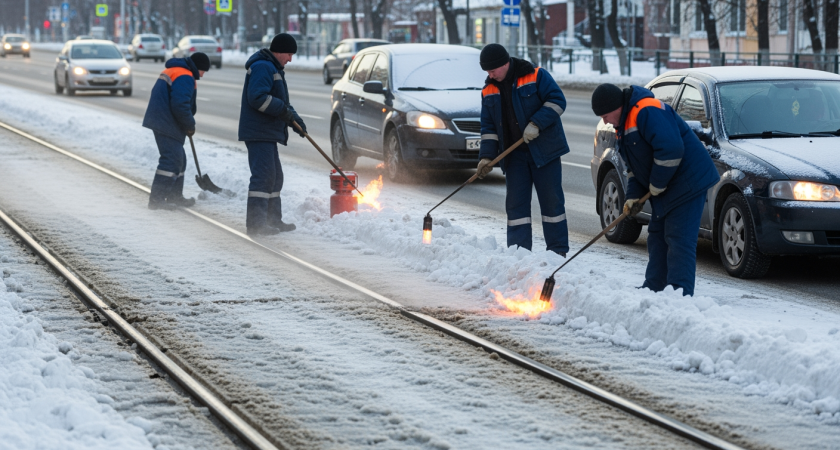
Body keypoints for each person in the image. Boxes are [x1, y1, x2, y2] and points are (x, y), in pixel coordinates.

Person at [590, 83, 720, 296]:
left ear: (616, 106)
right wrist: (633, 197)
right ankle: (654, 288)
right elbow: (634, 169)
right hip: (667, 184)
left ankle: (680, 294)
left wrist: (657, 184)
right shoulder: (622, 126)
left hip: (688, 182)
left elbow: (671, 149)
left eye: (605, 115)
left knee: (678, 239)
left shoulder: (647, 110)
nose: (604, 121)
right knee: (657, 235)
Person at [477, 44, 570, 255]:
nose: (490, 75)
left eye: (493, 70)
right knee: (516, 207)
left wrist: (537, 123)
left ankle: (557, 252)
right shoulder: (488, 91)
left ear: (505, 63)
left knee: (552, 204)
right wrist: (486, 157)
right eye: (487, 72)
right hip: (514, 156)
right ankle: (518, 253)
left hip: (544, 152)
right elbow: (489, 129)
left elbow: (557, 101)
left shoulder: (536, 75)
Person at [239, 33, 306, 236]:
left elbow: (281, 103)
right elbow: (258, 98)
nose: (290, 59)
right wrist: (283, 112)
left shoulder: (273, 67)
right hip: (259, 132)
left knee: (275, 177)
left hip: (267, 132)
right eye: (288, 54)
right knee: (264, 177)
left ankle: (273, 220)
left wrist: (296, 121)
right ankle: (257, 224)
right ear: (278, 51)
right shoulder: (263, 67)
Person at [143, 52, 210, 210]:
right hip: (165, 121)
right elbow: (180, 105)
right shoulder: (185, 75)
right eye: (203, 71)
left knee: (179, 159)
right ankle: (157, 200)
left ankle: (175, 196)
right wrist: (190, 124)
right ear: (198, 67)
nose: (203, 75)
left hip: (163, 119)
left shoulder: (177, 70)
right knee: (171, 159)